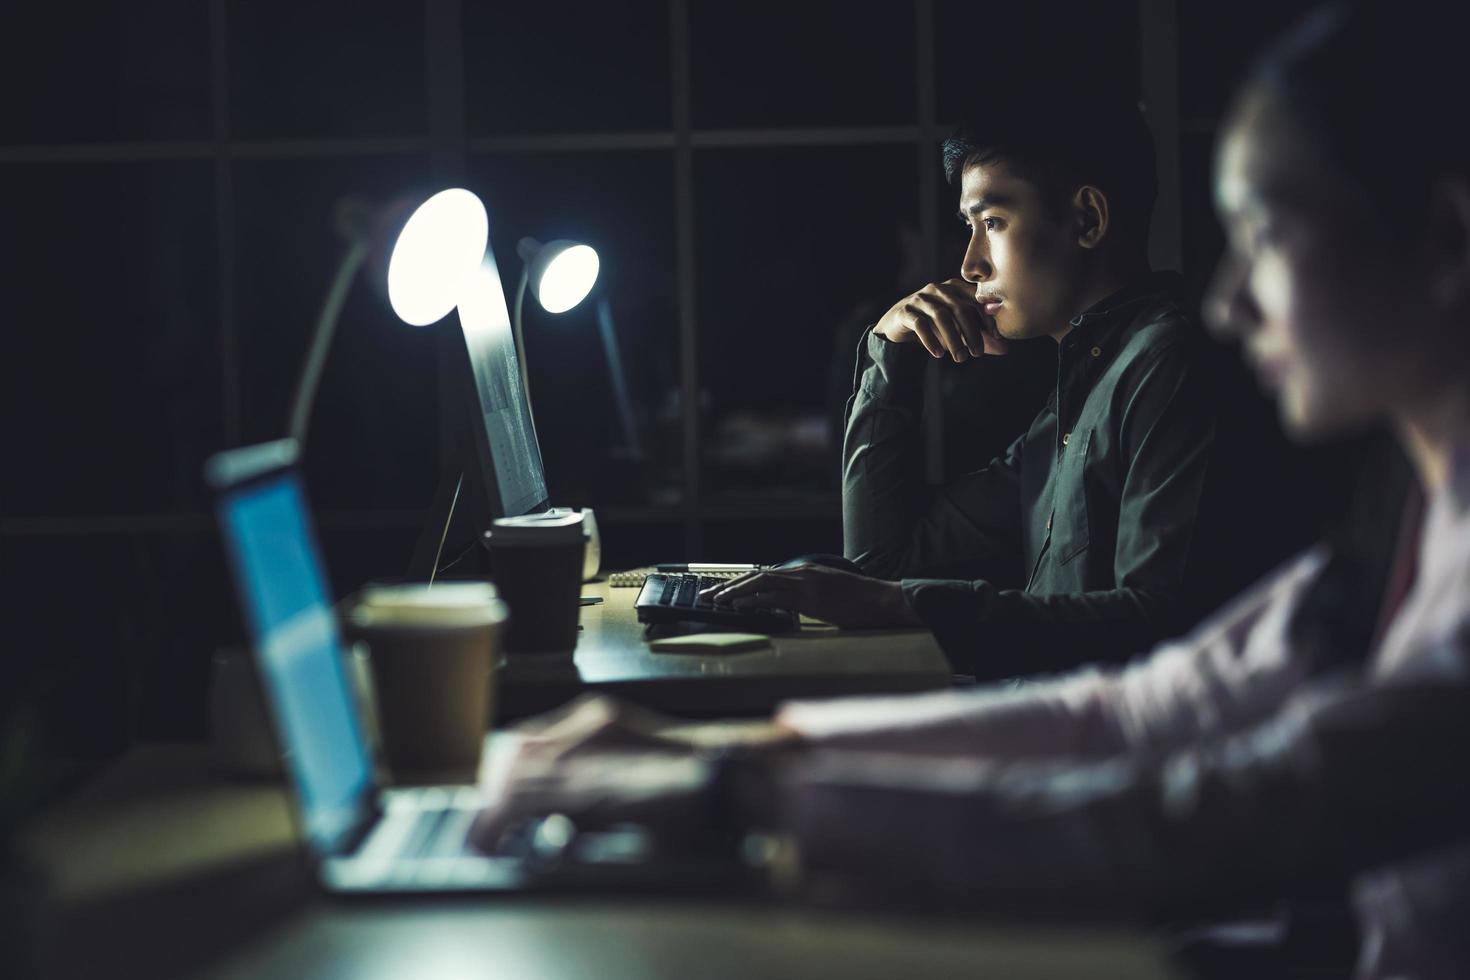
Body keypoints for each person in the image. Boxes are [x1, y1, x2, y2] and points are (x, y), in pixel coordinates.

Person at [475, 3, 1470, 976]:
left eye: (1267, 235)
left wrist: (731, 785)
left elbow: (1201, 804)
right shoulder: (1395, 528)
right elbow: (1129, 713)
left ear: (1446, 239)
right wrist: (756, 745)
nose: (1227, 299)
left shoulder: (1169, 364)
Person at [709, 91, 1246, 677]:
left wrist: (904, 604)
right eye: (970, 226)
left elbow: (1157, 622)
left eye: (992, 222)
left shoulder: (1166, 362)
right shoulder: (1081, 389)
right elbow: (885, 559)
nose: (970, 264)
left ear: (1088, 218)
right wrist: (891, 352)